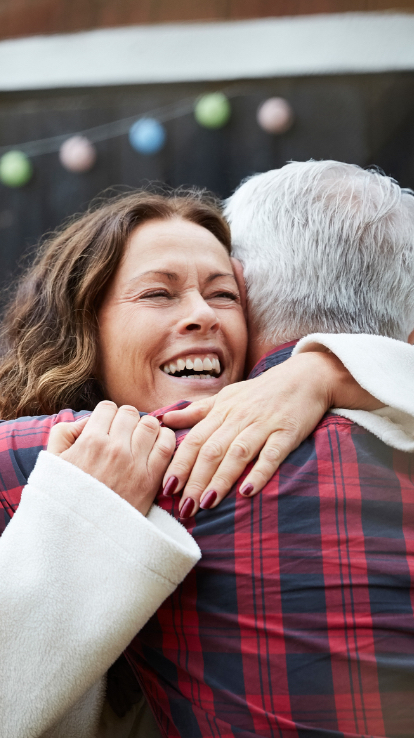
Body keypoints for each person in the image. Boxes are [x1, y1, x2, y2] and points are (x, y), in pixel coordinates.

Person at [0, 181, 413, 738]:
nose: (202, 315)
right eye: (158, 294)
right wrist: (81, 513)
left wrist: (326, 367)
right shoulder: (39, 458)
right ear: (83, 331)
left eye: (224, 295)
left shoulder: (302, 447)